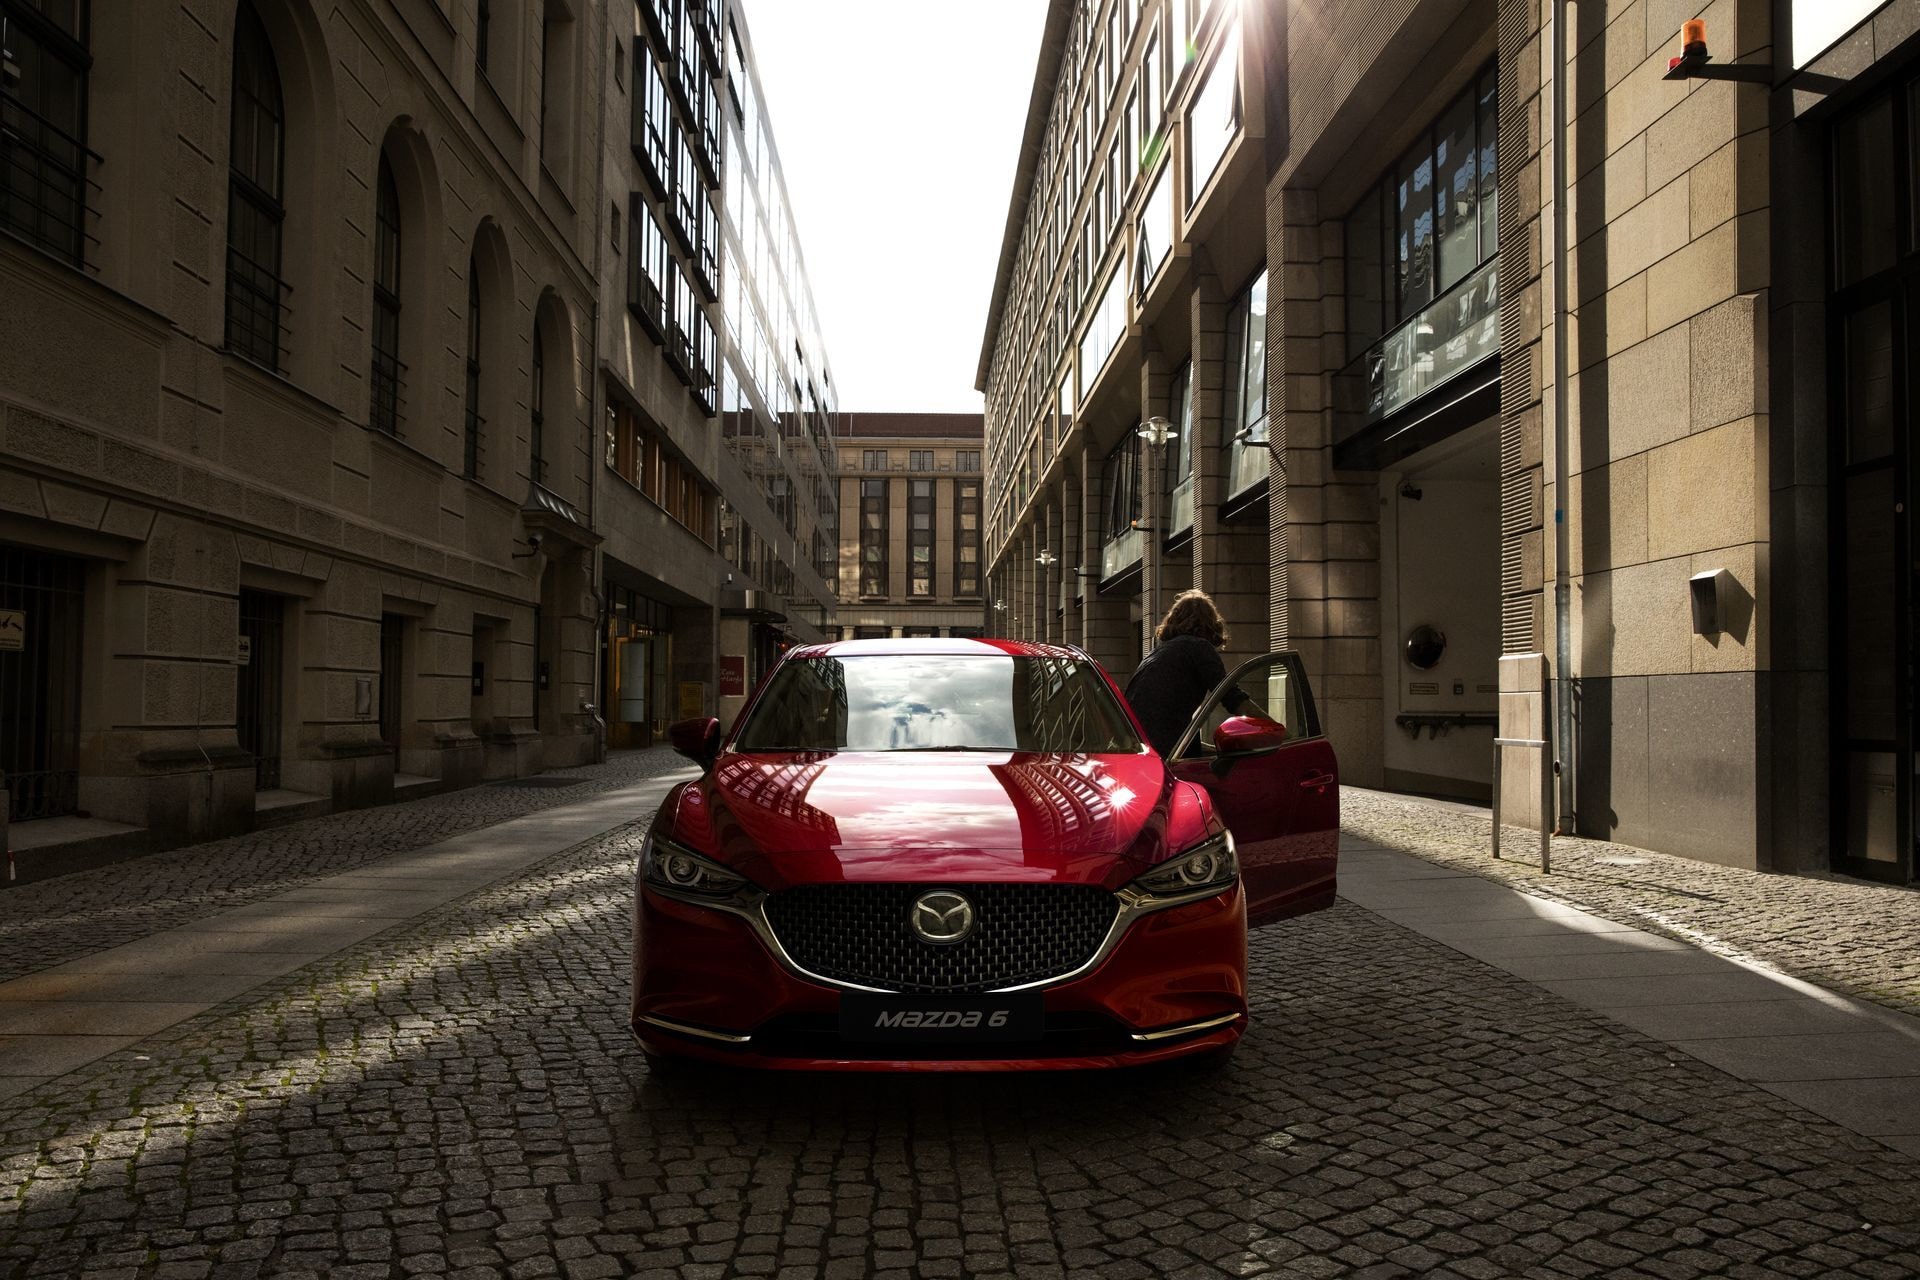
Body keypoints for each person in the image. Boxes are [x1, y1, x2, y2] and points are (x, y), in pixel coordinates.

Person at [1124, 589, 1251, 758]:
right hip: (1164, 757)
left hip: (1138, 750)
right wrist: (1275, 728)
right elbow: (1232, 697)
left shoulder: (1159, 653)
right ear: (1211, 623)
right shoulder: (1199, 648)